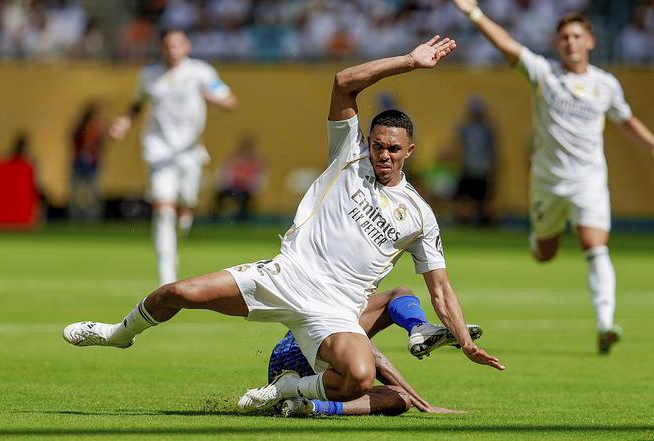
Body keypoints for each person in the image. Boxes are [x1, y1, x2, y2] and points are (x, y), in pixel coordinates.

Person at [63, 36, 504, 414]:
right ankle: (118, 335)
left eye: (393, 149)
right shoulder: (348, 155)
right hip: (286, 275)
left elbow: (440, 288)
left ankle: (291, 389)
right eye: (377, 145)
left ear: (409, 151)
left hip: (336, 309)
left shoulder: (420, 215)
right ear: (368, 142)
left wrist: (465, 341)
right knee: (176, 292)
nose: (383, 155)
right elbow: (343, 82)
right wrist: (409, 61)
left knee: (359, 375)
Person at [450, 1, 654, 353]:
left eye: (576, 36)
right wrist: (475, 14)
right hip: (547, 183)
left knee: (596, 246)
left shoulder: (606, 84)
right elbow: (508, 46)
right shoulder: (544, 74)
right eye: (564, 37)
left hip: (589, 181)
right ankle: (539, 238)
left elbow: (626, 120)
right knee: (545, 253)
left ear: (590, 41)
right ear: (557, 43)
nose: (570, 42)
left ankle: (605, 323)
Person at [108, 28, 238, 285]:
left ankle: (184, 217)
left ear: (187, 46)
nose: (172, 50)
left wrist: (216, 100)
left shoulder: (201, 72)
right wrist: (124, 123)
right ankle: (166, 278)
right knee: (163, 209)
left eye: (176, 45)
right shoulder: (148, 75)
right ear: (161, 48)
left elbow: (230, 100)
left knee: (185, 204)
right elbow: (136, 105)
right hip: (159, 151)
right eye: (167, 46)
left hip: (189, 152)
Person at [266, 286, 483, 417]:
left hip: (287, 364)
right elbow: (376, 359)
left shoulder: (336, 296)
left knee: (399, 396)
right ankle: (313, 406)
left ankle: (303, 405)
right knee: (399, 293)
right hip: (300, 359)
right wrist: (425, 406)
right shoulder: (344, 310)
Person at [454, 95, 497, 225]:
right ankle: (466, 220)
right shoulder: (465, 128)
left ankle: (480, 220)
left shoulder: (487, 129)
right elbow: (460, 147)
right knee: (466, 198)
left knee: (481, 199)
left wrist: (493, 168)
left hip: (482, 170)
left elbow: (492, 151)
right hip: (468, 168)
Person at [213, 133, 265, 222]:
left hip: (245, 189)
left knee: (243, 198)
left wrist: (246, 183)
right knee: (219, 196)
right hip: (232, 187)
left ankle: (242, 219)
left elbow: (257, 177)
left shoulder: (255, 162)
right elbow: (226, 172)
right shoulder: (234, 159)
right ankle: (215, 217)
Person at [69, 100, 106, 221]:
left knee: (93, 192)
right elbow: (73, 140)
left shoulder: (97, 129)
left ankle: (93, 217)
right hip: (79, 164)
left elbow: (101, 146)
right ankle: (75, 217)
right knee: (76, 193)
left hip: (92, 165)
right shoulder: (80, 127)